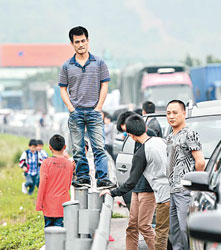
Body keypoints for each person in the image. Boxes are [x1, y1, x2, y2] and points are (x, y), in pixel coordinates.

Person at [101, 115, 170, 250]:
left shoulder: (142, 152)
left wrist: (112, 192)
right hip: (162, 190)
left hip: (155, 192)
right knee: (133, 226)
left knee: (145, 226)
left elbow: (131, 181)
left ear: (130, 135)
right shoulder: (159, 141)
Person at [59, 26, 114, 189]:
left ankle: (103, 177)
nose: (81, 44)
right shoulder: (66, 66)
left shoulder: (99, 63)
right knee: (77, 148)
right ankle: (83, 177)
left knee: (99, 146)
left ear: (88, 41)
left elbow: (105, 85)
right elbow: (62, 88)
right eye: (77, 42)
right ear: (72, 44)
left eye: (83, 41)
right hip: (76, 112)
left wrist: (99, 107)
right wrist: (70, 108)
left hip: (94, 112)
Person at [166, 100, 205, 250]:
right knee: (174, 232)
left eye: (175, 113)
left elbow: (200, 162)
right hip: (172, 190)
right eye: (168, 113)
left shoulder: (190, 133)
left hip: (185, 190)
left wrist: (196, 185)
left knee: (185, 230)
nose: (171, 116)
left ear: (184, 113)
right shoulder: (170, 136)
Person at [36, 134, 75, 227]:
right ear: (64, 147)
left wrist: (39, 202)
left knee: (49, 231)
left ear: (50, 147)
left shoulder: (46, 163)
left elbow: (42, 184)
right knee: (60, 232)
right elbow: (69, 183)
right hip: (63, 204)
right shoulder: (69, 164)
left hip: (48, 205)